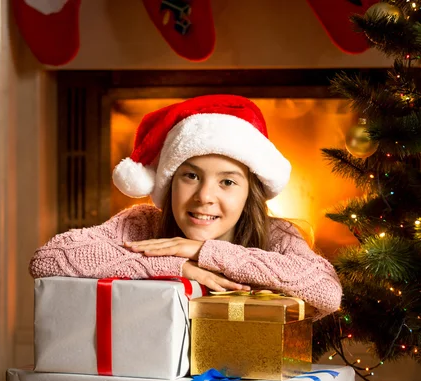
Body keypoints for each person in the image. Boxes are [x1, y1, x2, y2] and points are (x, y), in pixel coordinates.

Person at [29, 94, 342, 319]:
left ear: (250, 193)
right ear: (169, 182)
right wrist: (177, 266)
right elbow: (49, 258)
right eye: (191, 176)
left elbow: (327, 292)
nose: (204, 196)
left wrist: (201, 250)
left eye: (227, 182)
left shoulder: (276, 235)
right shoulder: (142, 223)